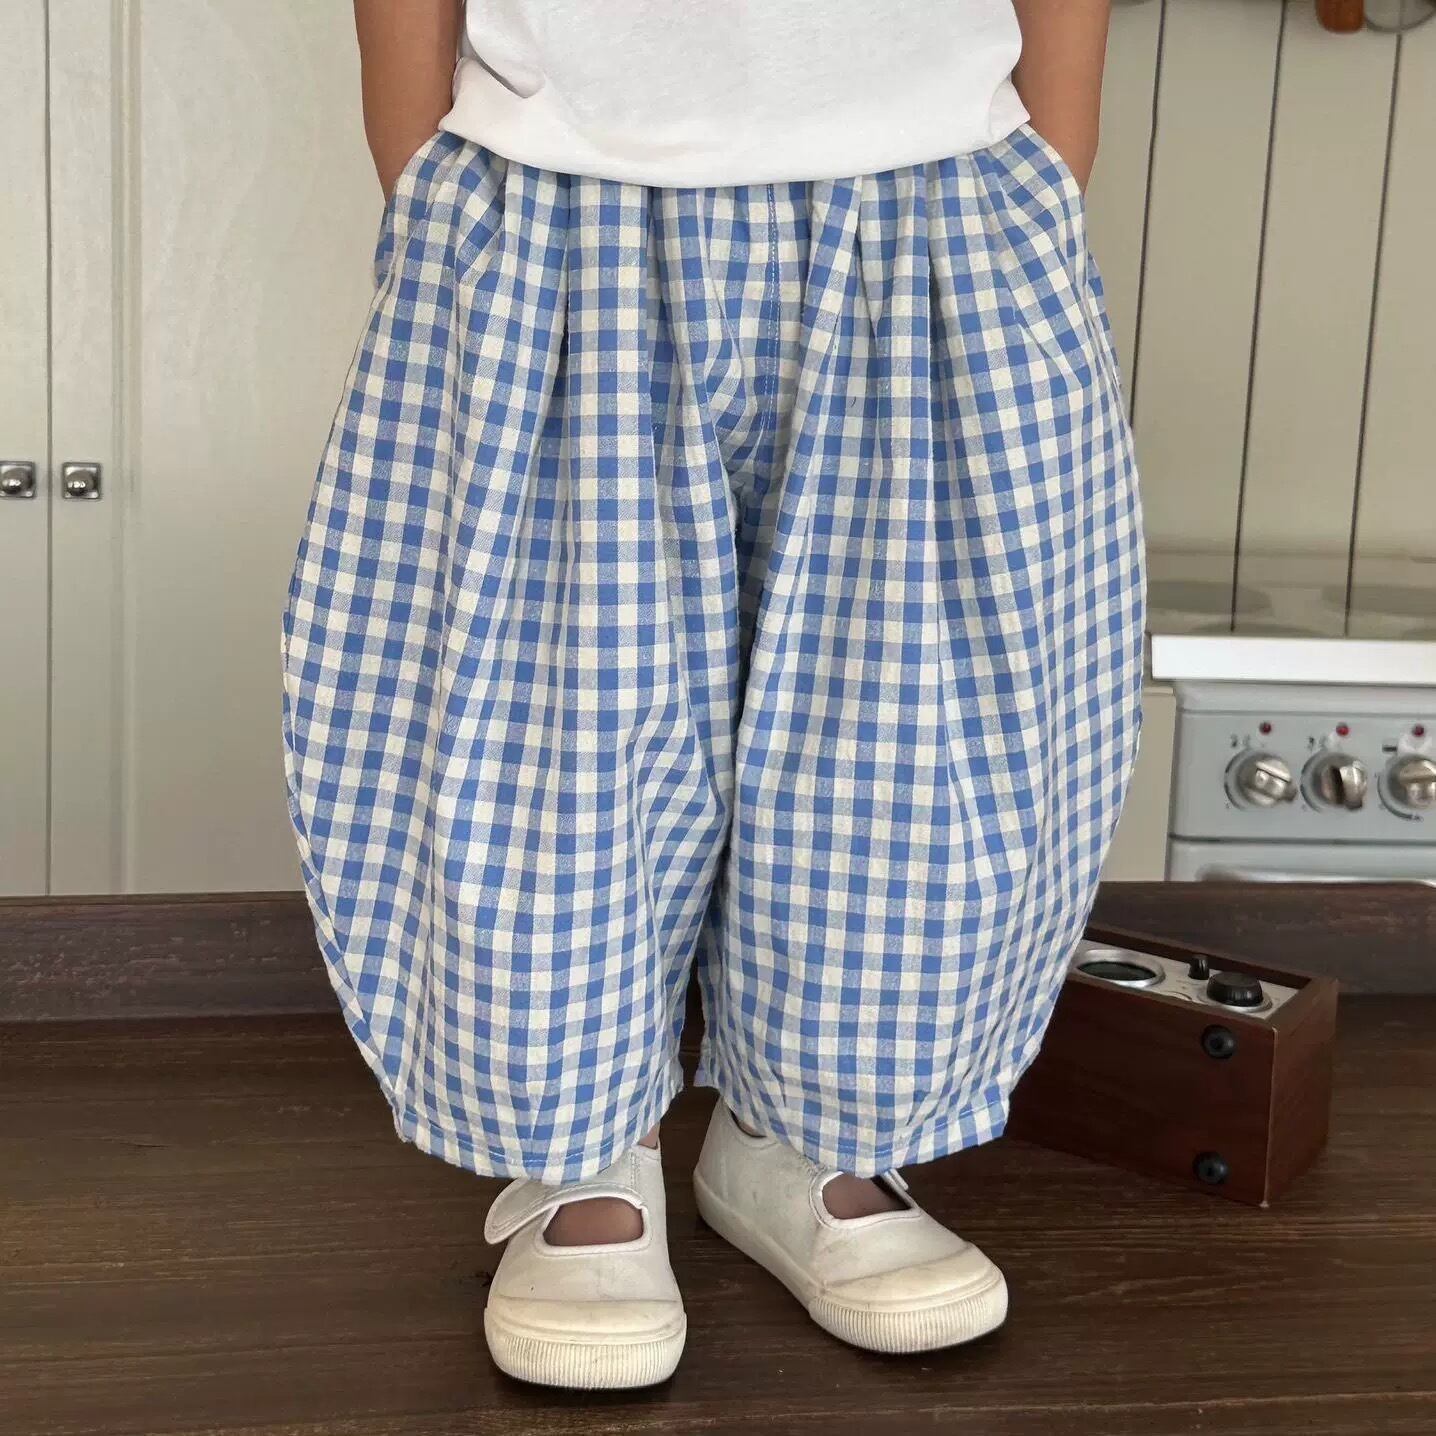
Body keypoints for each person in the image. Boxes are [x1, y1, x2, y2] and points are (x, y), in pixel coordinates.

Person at [282, 0, 1143, 1390]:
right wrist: (424, 172)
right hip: (557, 186)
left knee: (907, 728)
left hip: (937, 181)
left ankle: (808, 1140)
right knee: (551, 718)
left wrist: (1050, 164)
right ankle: (582, 1153)